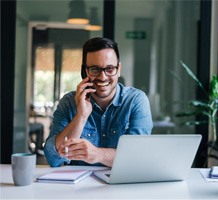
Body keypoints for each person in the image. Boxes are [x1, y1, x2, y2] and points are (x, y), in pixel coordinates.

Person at [44, 37, 153, 167]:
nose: (102, 77)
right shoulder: (68, 102)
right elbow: (53, 159)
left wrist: (97, 154)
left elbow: (137, 157)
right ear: (85, 71)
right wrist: (81, 116)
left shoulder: (136, 101)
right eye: (95, 69)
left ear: (118, 69)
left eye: (110, 69)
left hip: (122, 184)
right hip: (78, 186)